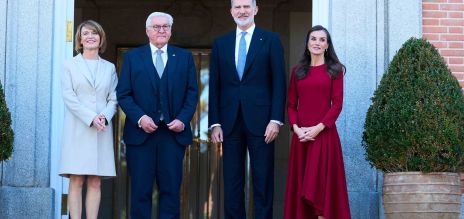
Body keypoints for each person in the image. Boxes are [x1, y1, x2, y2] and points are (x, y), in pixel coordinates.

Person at [116, 12, 198, 219]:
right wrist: (141, 118)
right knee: (141, 192)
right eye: (156, 27)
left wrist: (182, 119)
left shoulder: (184, 57)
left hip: (172, 136)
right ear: (147, 31)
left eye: (166, 27)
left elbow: (192, 93)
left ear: (170, 30)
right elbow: (124, 94)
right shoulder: (133, 57)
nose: (161, 30)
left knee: (171, 192)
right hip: (140, 137)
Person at [208, 0, 286, 217]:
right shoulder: (220, 43)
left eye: (246, 7)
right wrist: (215, 122)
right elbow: (214, 85)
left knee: (263, 181)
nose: (242, 11)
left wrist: (275, 120)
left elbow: (279, 82)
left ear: (255, 10)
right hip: (229, 121)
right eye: (237, 7)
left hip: (263, 123)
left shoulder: (270, 40)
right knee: (232, 182)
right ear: (231, 11)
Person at [283, 25, 351, 219]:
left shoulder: (335, 70)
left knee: (321, 189)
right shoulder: (297, 71)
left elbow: (337, 105)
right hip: (302, 138)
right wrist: (296, 129)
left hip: (324, 136)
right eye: (314, 39)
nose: (317, 43)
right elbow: (291, 105)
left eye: (322, 40)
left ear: (327, 45)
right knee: (302, 187)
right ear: (307, 43)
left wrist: (318, 128)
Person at [58, 20, 118, 219]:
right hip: (78, 129)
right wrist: (91, 117)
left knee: (95, 181)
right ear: (79, 39)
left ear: (101, 39)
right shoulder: (69, 65)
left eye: (95, 33)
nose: (90, 36)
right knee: (76, 180)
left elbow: (114, 98)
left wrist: (104, 116)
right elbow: (69, 97)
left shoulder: (109, 68)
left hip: (101, 129)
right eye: (85, 33)